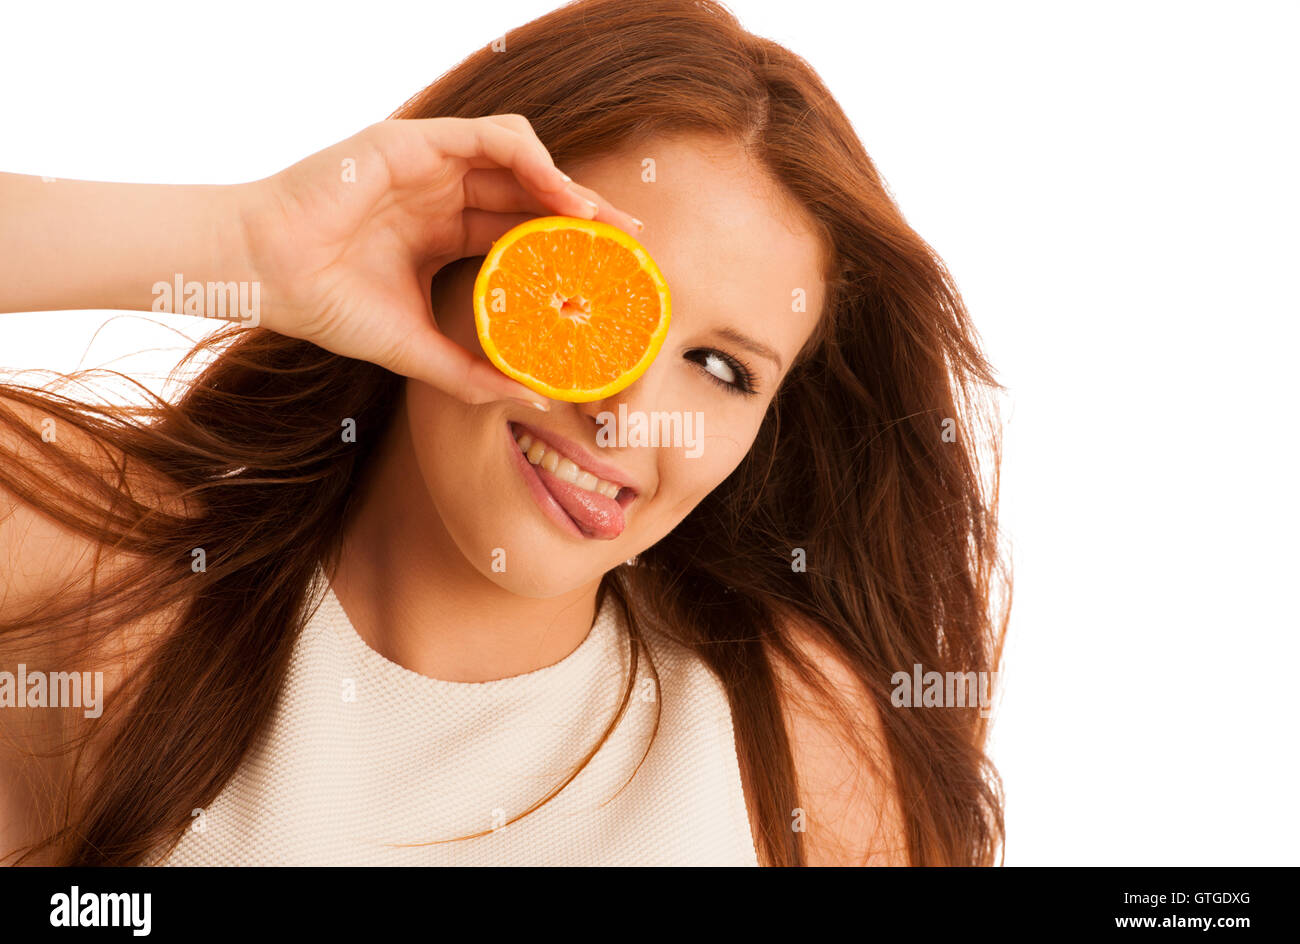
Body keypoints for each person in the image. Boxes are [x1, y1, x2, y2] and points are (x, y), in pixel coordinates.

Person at [0, 0, 1008, 866]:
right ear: (445, 255)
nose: (623, 410)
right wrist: (246, 244)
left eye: (720, 368)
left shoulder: (789, 739)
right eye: (584, 295)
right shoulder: (107, 597)